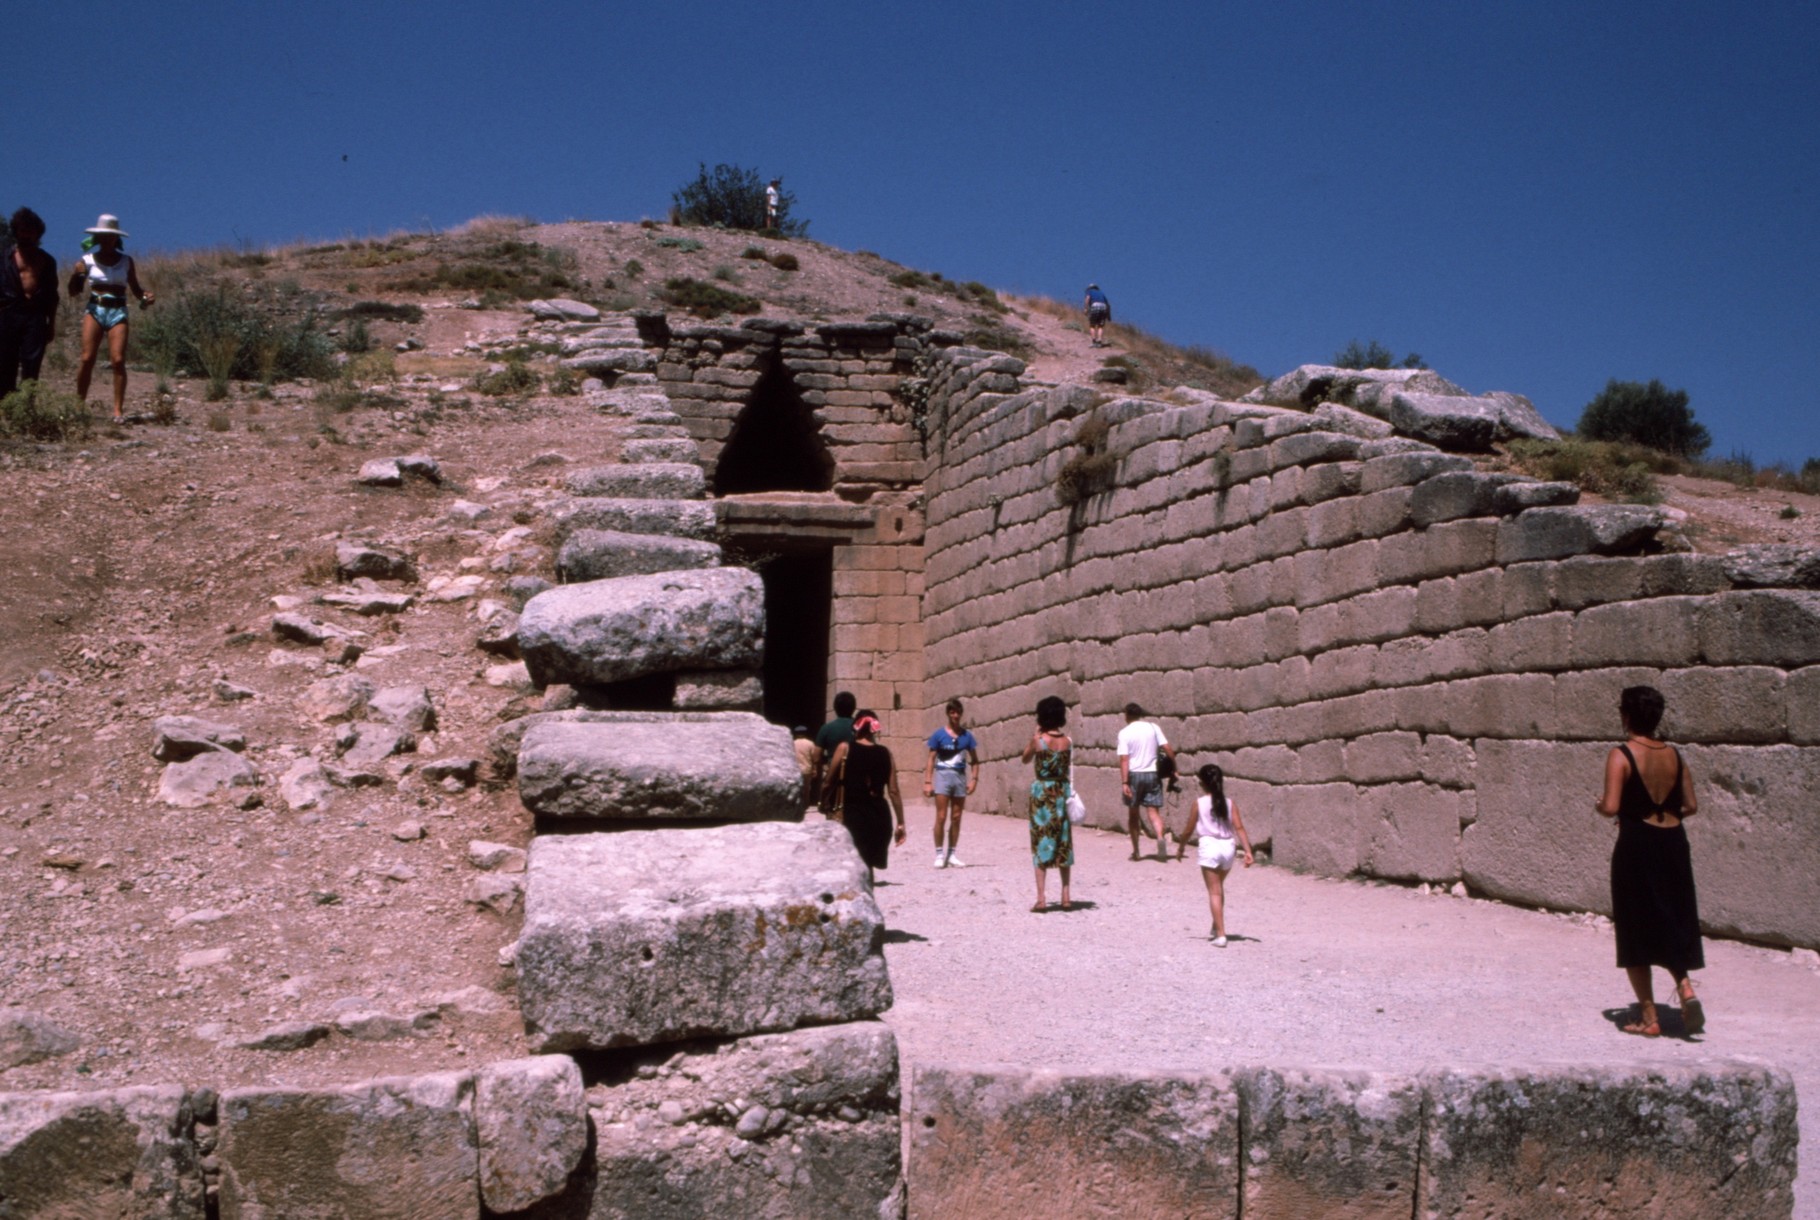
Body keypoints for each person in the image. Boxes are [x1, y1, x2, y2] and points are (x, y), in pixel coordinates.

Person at [1596, 685, 1705, 1037]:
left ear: (1626, 716)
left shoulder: (1621, 754)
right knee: (1672, 917)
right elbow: (1690, 806)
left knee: (1635, 926)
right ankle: (1685, 987)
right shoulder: (1674, 755)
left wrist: (1600, 805)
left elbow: (1611, 806)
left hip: (1636, 845)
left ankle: (1649, 1016)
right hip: (1673, 842)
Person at [68, 214, 153, 422]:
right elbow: (73, 291)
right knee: (87, 358)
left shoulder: (126, 261)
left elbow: (135, 290)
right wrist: (77, 275)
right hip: (95, 309)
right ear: (97, 237)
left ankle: (117, 411)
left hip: (118, 310)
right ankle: (78, 406)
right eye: (103, 236)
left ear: (116, 238)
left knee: (118, 359)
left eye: (111, 236)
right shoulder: (86, 261)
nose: (107, 239)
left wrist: (146, 297)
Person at [823, 711, 906, 882]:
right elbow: (894, 791)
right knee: (867, 866)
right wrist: (901, 822)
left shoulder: (844, 748)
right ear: (874, 729)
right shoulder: (886, 753)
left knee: (854, 866)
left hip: (853, 814)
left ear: (856, 728)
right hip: (879, 817)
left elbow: (828, 782)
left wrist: (823, 802)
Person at [1177, 764, 1254, 946]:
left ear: (1202, 783)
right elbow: (1239, 827)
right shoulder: (1229, 803)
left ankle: (1221, 935)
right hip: (1228, 848)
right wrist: (1248, 851)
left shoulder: (1199, 803)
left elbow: (1188, 829)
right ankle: (1216, 925)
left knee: (1214, 892)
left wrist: (1181, 847)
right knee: (1218, 888)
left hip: (1209, 847)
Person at [1020, 695, 1073, 912]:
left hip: (1042, 794)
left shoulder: (1039, 742)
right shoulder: (1068, 742)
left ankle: (1041, 897)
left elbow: (1024, 758)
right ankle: (1066, 895)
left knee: (1040, 840)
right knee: (1063, 841)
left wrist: (1035, 736)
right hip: (1061, 792)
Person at [1, 208, 60, 399]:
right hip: (8, 313)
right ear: (16, 231)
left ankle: (27, 405)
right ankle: (5, 404)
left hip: (35, 315)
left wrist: (51, 323)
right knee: (5, 361)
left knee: (32, 362)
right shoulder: (4, 258)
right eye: (22, 230)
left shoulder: (47, 261)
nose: (26, 235)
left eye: (30, 231)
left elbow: (52, 295)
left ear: (37, 233)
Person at [923, 698, 979, 868]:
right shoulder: (939, 735)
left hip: (959, 777)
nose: (955, 715)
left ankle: (952, 854)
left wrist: (974, 780)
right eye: (952, 712)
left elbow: (975, 761)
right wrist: (927, 781)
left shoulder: (967, 736)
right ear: (948, 713)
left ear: (961, 714)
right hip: (942, 776)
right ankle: (939, 854)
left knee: (956, 817)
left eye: (958, 712)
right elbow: (931, 759)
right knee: (941, 816)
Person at [1118, 702, 1177, 862]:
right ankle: (1159, 837)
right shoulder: (1153, 727)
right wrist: (1174, 768)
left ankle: (1136, 851)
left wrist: (1124, 782)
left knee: (1133, 814)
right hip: (1152, 774)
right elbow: (1168, 748)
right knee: (1153, 812)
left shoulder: (1124, 733)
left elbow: (1124, 759)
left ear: (1127, 715)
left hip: (1134, 775)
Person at [811, 691, 858, 816]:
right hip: (859, 777)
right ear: (853, 708)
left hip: (836, 778)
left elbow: (816, 757)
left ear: (835, 708)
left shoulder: (826, 729)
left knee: (834, 814)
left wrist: (827, 762)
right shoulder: (860, 728)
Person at [791, 725, 817, 806]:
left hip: (795, 770)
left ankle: (796, 805)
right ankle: (805, 805)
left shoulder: (792, 743)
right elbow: (814, 758)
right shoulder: (810, 743)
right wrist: (815, 769)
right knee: (806, 789)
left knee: (796, 788)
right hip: (807, 769)